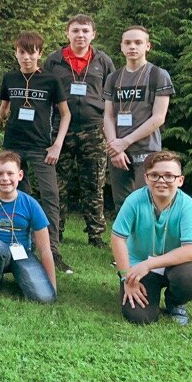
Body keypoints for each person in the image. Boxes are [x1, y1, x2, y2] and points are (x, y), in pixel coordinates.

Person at [0, 31, 73, 274]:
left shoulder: (51, 81)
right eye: (22, 52)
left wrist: (57, 144)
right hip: (13, 147)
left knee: (50, 196)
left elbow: (66, 114)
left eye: (31, 52)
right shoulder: (10, 78)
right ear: (16, 53)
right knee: (19, 198)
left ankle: (52, 251)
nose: (26, 57)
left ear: (39, 53)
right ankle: (23, 246)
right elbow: (4, 108)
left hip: (42, 148)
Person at [111, 151, 192, 326]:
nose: (161, 181)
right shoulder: (133, 201)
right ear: (146, 178)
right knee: (140, 317)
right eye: (155, 175)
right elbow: (118, 238)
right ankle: (148, 295)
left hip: (174, 265)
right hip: (138, 266)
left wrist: (149, 264)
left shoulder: (187, 206)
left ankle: (175, 302)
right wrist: (126, 277)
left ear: (180, 180)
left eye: (169, 176)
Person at [43, 15, 115, 248]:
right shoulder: (54, 61)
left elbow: (111, 96)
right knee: (58, 184)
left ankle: (95, 235)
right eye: (75, 30)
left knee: (94, 183)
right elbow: (45, 95)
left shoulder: (103, 61)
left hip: (94, 129)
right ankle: (57, 230)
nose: (80, 35)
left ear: (93, 34)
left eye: (85, 30)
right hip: (60, 131)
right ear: (67, 33)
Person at [0, 151, 57, 304]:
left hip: (22, 255)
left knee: (46, 298)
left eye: (10, 173)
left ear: (20, 175)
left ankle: (23, 277)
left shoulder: (31, 204)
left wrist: (51, 284)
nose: (5, 178)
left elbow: (45, 248)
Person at [103, 25, 174, 212]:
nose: (132, 47)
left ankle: (149, 242)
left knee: (147, 203)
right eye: (128, 43)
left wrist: (124, 142)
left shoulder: (158, 75)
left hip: (146, 149)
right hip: (117, 152)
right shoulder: (113, 78)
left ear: (148, 46)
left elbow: (158, 118)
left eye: (138, 42)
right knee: (122, 205)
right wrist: (114, 146)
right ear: (121, 47)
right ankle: (123, 242)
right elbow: (108, 116)